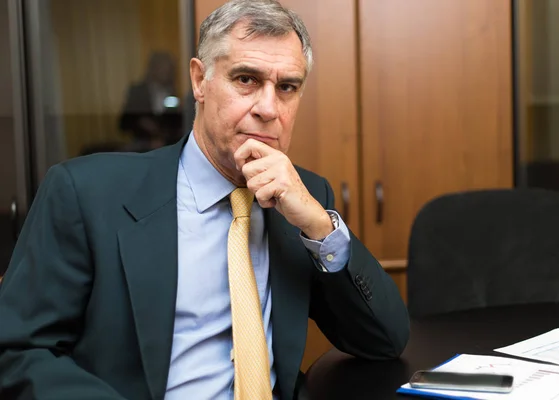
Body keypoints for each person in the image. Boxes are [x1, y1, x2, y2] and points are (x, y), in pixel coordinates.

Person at [0, 1, 409, 399]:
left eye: (287, 87)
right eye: (246, 79)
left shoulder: (303, 199)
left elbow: (384, 341)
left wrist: (319, 227)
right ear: (200, 80)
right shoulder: (85, 194)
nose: (269, 108)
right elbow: (18, 352)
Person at [119, 51, 183, 151]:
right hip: (141, 145)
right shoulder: (138, 91)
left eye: (168, 68)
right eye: (161, 67)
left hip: (167, 145)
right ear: (153, 68)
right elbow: (124, 123)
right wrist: (142, 123)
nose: (165, 71)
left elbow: (178, 125)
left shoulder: (173, 93)